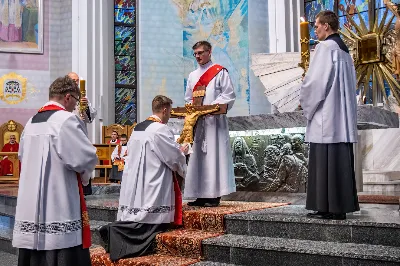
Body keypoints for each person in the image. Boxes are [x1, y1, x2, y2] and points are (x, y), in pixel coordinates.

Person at [12, 76, 98, 266]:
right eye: (75, 101)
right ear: (68, 97)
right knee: (60, 247)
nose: (75, 106)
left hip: (31, 202)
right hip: (59, 201)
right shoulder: (66, 120)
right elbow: (86, 158)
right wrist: (85, 178)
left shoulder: (32, 121)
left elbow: (21, 156)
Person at [99, 95, 188, 261]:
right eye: (169, 111)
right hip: (152, 180)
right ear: (164, 110)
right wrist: (182, 152)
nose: (169, 115)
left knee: (137, 215)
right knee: (148, 220)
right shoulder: (160, 129)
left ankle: (116, 230)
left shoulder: (138, 127)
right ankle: (115, 232)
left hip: (136, 179)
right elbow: (172, 157)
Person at [300, 10, 359, 220]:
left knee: (324, 159)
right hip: (340, 115)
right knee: (338, 160)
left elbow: (315, 83)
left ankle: (326, 207)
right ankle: (338, 206)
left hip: (326, 115)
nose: (315, 29)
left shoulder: (325, 48)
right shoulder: (343, 50)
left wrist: (304, 101)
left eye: (317, 25)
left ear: (327, 26)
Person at [183, 40, 236, 207]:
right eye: (195, 54)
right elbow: (188, 98)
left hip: (214, 122)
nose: (198, 56)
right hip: (199, 123)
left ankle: (214, 195)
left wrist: (211, 107)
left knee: (214, 156)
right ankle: (199, 194)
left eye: (200, 53)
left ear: (209, 52)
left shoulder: (220, 72)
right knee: (197, 157)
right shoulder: (192, 76)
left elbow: (229, 94)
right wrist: (192, 108)